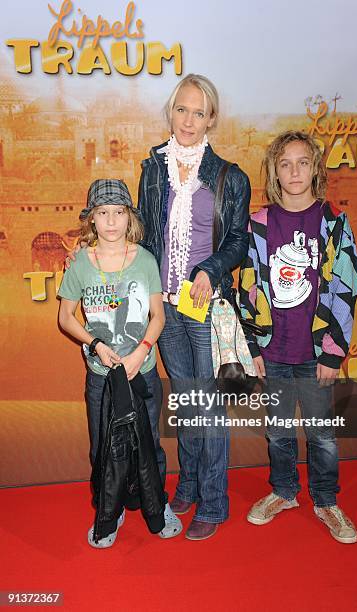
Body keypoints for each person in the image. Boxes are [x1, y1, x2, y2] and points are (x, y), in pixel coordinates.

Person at [138, 74, 251, 540]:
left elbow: (239, 240)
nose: (188, 120)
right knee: (187, 404)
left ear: (211, 119)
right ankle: (187, 482)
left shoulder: (230, 176)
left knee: (208, 407)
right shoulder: (153, 169)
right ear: (171, 112)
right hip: (165, 307)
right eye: (181, 110)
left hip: (205, 306)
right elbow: (143, 230)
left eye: (198, 112)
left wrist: (210, 268)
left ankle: (214, 500)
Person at [239, 131, 357, 544]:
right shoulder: (258, 224)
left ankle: (326, 499)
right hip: (273, 350)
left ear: (315, 169)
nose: (294, 171)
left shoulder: (333, 222)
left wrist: (333, 350)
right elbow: (249, 287)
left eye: (302, 162)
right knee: (277, 429)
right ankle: (284, 491)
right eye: (285, 163)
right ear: (274, 170)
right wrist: (252, 344)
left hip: (315, 352)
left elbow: (345, 285)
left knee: (321, 431)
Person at [58, 178, 182, 546]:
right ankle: (108, 512)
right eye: (103, 213)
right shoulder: (80, 262)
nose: (111, 221)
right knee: (102, 448)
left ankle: (157, 504)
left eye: (118, 212)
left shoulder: (144, 260)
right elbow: (66, 317)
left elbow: (157, 316)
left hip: (141, 373)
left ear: (129, 218)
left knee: (150, 445)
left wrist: (142, 349)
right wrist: (95, 344)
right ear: (91, 220)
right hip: (101, 377)